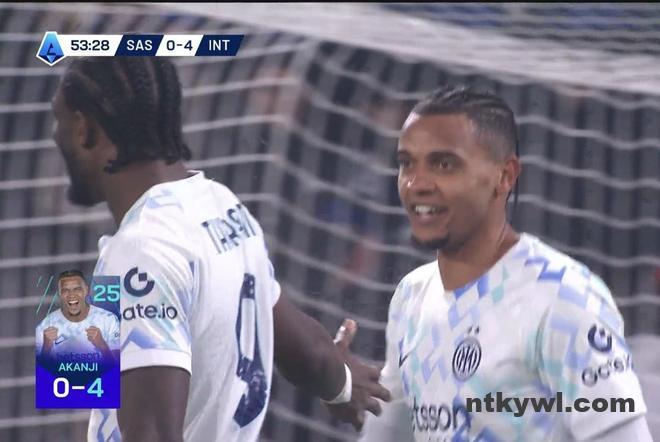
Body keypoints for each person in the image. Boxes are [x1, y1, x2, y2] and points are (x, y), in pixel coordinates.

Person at [50, 57, 389, 442]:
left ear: (85, 130)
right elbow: (307, 350)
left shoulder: (141, 251)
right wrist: (342, 383)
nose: (55, 136)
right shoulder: (221, 205)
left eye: (59, 121)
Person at [354, 86, 652, 441]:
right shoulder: (411, 296)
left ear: (505, 175)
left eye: (444, 164)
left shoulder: (565, 299)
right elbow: (386, 433)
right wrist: (339, 385)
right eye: (406, 163)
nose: (416, 183)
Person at [36, 269, 119, 365]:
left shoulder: (109, 320)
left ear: (86, 290)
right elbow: (41, 371)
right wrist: (46, 348)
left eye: (77, 289)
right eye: (65, 290)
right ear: (59, 294)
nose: (72, 295)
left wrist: (102, 344)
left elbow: (117, 368)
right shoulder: (46, 325)